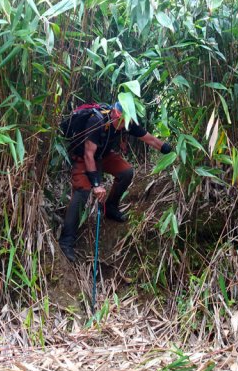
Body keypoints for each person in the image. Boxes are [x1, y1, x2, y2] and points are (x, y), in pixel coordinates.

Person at [58, 102, 172, 262]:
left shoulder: (128, 122)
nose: (123, 125)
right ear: (114, 113)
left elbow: (150, 139)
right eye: (120, 121)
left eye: (126, 122)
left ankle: (110, 208)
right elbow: (88, 155)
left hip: (103, 155)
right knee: (83, 191)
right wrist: (96, 185)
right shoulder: (96, 121)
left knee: (126, 172)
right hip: (84, 157)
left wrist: (170, 150)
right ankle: (66, 241)